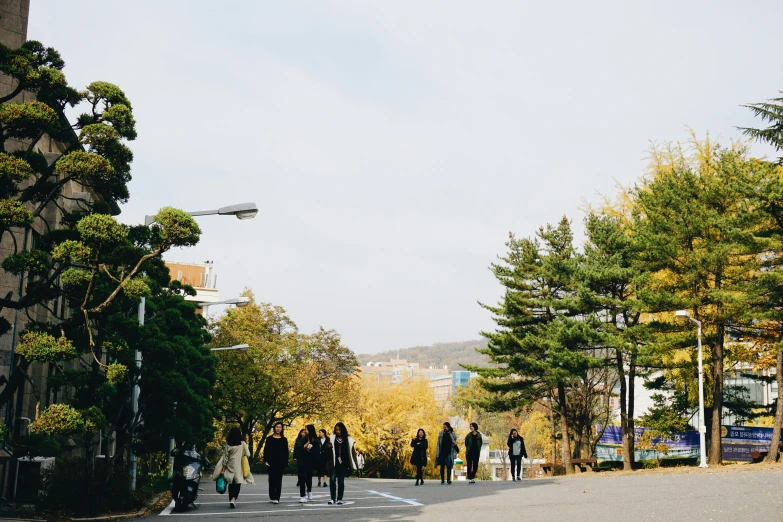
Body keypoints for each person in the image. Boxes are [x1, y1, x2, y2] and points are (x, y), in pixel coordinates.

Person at [212, 426, 254, 509]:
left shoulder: (228, 444)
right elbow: (248, 454)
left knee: (231, 484)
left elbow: (225, 459)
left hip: (229, 467)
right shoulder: (242, 444)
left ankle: (231, 498)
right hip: (239, 467)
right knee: (237, 484)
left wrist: (223, 469)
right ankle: (234, 499)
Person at [328, 422, 358, 505]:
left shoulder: (348, 439)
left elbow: (352, 453)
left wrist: (354, 464)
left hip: (343, 463)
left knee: (341, 481)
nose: (338, 431)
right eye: (336, 430)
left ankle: (339, 498)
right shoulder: (332, 438)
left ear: (342, 430)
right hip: (334, 463)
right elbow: (327, 450)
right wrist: (329, 447)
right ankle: (332, 498)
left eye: (339, 430)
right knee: (332, 480)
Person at [293, 425, 321, 502]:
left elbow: (317, 452)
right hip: (302, 461)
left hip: (310, 462)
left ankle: (309, 491)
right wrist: (307, 444)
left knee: (309, 478)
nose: (305, 431)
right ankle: (302, 495)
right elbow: (299, 448)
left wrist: (311, 451)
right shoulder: (303, 439)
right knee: (301, 478)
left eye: (306, 429)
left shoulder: (316, 440)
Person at [263, 422, 288, 504]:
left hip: (280, 462)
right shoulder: (269, 439)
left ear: (282, 429)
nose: (278, 428)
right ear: (274, 428)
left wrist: (286, 463)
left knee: (278, 480)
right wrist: (265, 461)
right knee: (271, 480)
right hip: (270, 462)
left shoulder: (284, 440)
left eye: (280, 427)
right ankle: (272, 496)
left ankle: (277, 497)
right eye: (277, 427)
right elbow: (266, 450)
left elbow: (286, 452)